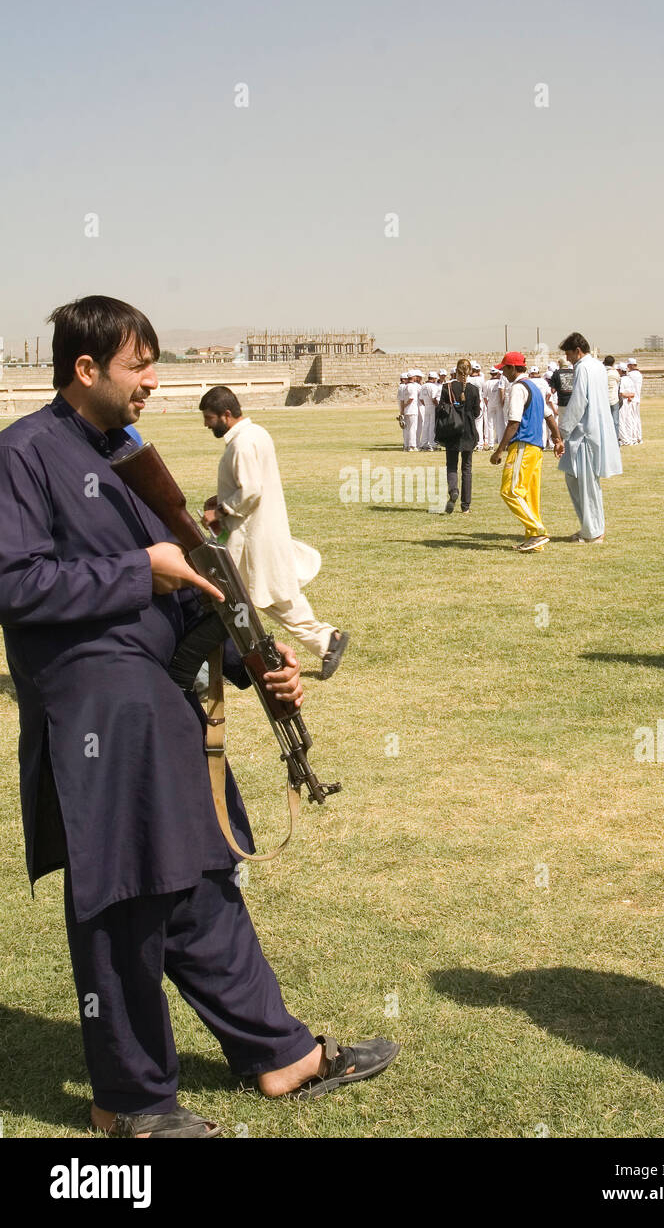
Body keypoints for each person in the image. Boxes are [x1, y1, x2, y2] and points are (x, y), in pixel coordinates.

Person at [0, 295, 398, 1139]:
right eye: (140, 366)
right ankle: (131, 1102)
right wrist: (135, 570)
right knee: (126, 899)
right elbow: (16, 584)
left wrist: (253, 661)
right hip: (97, 709)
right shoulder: (23, 455)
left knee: (204, 881)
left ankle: (279, 1052)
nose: (154, 382)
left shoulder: (129, 458)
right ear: (86, 368)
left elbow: (186, 595)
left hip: (157, 698)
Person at [199, 386, 348, 680]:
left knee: (234, 598)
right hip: (259, 532)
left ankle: (227, 663)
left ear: (226, 414)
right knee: (270, 595)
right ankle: (325, 640)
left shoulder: (242, 444)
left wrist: (220, 512)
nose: (206, 424)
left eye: (209, 418)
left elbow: (251, 491)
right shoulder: (257, 435)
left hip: (250, 537)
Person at [490, 352, 563, 552]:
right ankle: (534, 540)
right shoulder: (535, 388)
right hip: (536, 449)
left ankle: (537, 531)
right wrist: (557, 440)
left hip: (522, 445)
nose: (503, 373)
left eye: (504, 369)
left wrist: (499, 450)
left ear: (513, 368)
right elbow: (549, 417)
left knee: (510, 491)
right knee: (529, 496)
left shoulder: (518, 389)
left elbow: (514, 422)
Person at [557, 332, 622, 543]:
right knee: (575, 478)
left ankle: (593, 532)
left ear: (577, 351)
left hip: (585, 432)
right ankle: (590, 527)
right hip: (593, 429)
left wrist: (562, 431)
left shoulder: (584, 367)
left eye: (568, 354)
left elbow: (578, 402)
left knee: (586, 484)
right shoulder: (596, 366)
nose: (567, 359)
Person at [437, 358, 480, 513]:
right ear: (468, 372)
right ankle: (465, 505)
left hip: (452, 430)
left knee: (451, 466)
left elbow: (441, 408)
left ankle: (453, 490)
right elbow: (477, 412)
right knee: (467, 468)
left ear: (456, 370)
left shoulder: (446, 387)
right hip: (468, 430)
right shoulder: (474, 389)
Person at [418, 371, 440, 450]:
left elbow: (421, 399)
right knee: (432, 425)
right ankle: (432, 444)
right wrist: (437, 406)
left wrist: (426, 404)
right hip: (432, 406)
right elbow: (434, 398)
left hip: (426, 406)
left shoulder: (423, 386)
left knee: (426, 425)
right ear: (434, 378)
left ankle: (423, 443)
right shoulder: (433, 386)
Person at [617, 363, 638, 446]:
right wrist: (630, 396)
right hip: (629, 401)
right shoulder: (629, 379)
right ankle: (630, 438)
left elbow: (621, 393)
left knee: (621, 421)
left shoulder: (621, 380)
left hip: (623, 401)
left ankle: (625, 440)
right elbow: (633, 393)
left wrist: (627, 396)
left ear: (620, 371)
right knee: (628, 420)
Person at [399, 371, 419, 450]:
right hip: (412, 409)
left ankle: (406, 445)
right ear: (413, 377)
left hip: (407, 410)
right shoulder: (412, 386)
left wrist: (403, 408)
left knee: (407, 428)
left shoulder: (405, 386)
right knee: (412, 428)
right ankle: (412, 445)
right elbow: (411, 398)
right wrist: (406, 405)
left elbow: (402, 400)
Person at [468, 362, 486, 449]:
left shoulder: (468, 379)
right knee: (479, 424)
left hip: (469, 403)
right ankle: (480, 443)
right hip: (478, 403)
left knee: (471, 424)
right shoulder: (481, 379)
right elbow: (484, 391)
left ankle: (473, 442)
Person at [603, 356, 620, 441]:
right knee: (615, 422)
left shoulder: (601, 372)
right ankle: (616, 440)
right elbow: (618, 381)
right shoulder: (615, 373)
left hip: (604, 400)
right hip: (614, 399)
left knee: (605, 422)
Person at [627, 358, 643, 442]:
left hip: (632, 398)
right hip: (637, 398)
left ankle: (633, 437)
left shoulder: (630, 375)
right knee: (637, 418)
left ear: (631, 365)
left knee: (632, 418)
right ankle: (639, 437)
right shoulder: (639, 374)